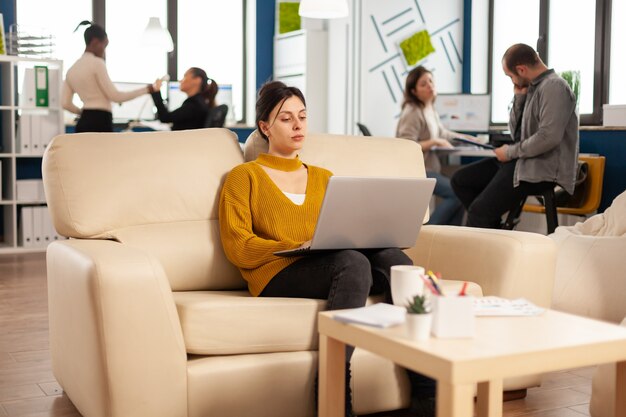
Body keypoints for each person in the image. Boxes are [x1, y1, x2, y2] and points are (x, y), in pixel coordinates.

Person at [219, 81, 435, 417]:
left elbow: (343, 231)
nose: (298, 125)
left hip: (327, 261)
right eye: (286, 118)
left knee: (396, 260)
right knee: (351, 262)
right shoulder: (244, 177)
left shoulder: (324, 177)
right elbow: (238, 246)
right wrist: (297, 247)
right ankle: (332, 392)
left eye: (302, 117)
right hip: (275, 272)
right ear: (265, 126)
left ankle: (427, 390)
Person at [450, 43, 579, 229]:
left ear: (521, 69)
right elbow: (516, 133)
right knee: (460, 181)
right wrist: (519, 100)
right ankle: (493, 228)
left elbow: (548, 137)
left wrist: (510, 152)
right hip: (522, 162)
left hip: (540, 169)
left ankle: (487, 232)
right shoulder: (532, 87)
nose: (512, 81)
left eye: (510, 76)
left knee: (478, 212)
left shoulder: (554, 87)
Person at [396, 66, 475, 226]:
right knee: (457, 193)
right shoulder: (413, 112)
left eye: (431, 81)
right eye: (423, 84)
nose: (430, 86)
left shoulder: (429, 109)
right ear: (413, 91)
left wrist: (470, 139)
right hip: (418, 171)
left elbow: (443, 134)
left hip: (430, 169)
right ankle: (430, 233)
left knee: (461, 195)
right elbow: (405, 145)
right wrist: (434, 141)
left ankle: (449, 239)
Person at [62, 21, 152, 133]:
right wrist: (146, 90)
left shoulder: (72, 70)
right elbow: (115, 96)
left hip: (83, 122)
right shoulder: (97, 63)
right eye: (104, 45)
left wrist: (82, 112)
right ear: (95, 42)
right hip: (100, 121)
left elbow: (65, 103)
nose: (104, 51)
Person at [150, 68, 217, 130]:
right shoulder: (200, 101)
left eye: (184, 76)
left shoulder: (194, 105)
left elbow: (165, 117)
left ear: (197, 80)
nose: (180, 81)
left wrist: (157, 91)